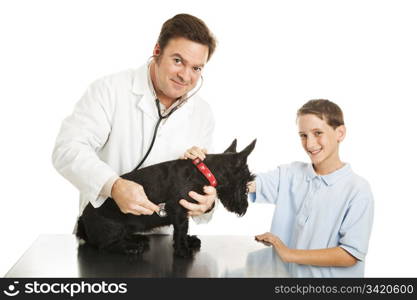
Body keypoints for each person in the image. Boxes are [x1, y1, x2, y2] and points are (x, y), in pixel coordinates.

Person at [52, 14, 218, 232]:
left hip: (162, 241)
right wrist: (113, 185)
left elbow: (205, 177)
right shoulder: (109, 91)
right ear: (157, 51)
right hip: (104, 234)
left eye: (196, 68)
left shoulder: (202, 113)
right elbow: (67, 149)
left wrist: (208, 203)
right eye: (178, 61)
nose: (185, 76)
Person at [249, 99, 374, 277]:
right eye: (303, 135)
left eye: (317, 133)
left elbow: (350, 254)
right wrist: (207, 166)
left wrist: (289, 253)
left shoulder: (358, 190)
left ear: (340, 133)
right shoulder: (289, 174)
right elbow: (247, 183)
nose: (309, 144)